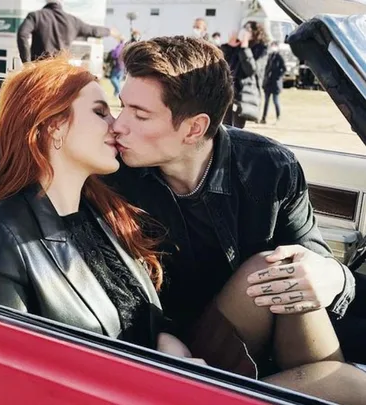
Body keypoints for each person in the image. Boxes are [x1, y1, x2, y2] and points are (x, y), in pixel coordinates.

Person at [106, 36, 366, 403]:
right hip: (170, 349)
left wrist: (333, 276)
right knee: (348, 386)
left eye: (140, 114)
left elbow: (310, 257)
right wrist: (160, 338)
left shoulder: (269, 168)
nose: (118, 125)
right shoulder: (113, 176)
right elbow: (112, 296)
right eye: (122, 107)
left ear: (194, 128)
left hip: (256, 337)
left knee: (288, 269)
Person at [0, 55, 198, 359]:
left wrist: (167, 345)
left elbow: (144, 322)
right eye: (100, 112)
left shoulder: (102, 211)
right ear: (54, 125)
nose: (117, 126)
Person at [17, 0, 118, 63]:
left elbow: (22, 34)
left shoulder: (36, 16)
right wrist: (109, 31)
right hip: (61, 71)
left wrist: (26, 62)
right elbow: (93, 31)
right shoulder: (72, 21)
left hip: (40, 70)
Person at [221, 21, 268, 128]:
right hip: (230, 91)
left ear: (255, 33)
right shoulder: (237, 47)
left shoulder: (261, 49)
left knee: (238, 128)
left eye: (248, 29)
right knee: (225, 126)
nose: (244, 32)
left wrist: (245, 49)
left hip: (244, 93)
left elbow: (251, 70)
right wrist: (228, 47)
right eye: (244, 28)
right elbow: (224, 63)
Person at [261, 41, 286, 124]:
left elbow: (284, 69)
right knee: (266, 101)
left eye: (274, 46)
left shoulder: (279, 57)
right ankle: (263, 118)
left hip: (275, 83)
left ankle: (278, 117)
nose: (272, 47)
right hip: (268, 83)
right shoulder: (270, 56)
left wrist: (278, 76)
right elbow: (267, 68)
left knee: (275, 101)